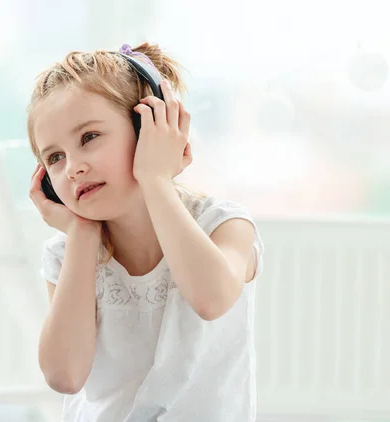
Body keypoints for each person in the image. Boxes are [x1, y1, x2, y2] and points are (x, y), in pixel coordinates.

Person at [27, 42, 265, 422]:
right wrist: (83, 235)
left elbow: (212, 299)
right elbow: (64, 375)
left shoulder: (224, 225)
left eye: (89, 137)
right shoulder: (65, 252)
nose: (72, 167)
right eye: (55, 157)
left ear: (149, 128)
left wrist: (155, 178)